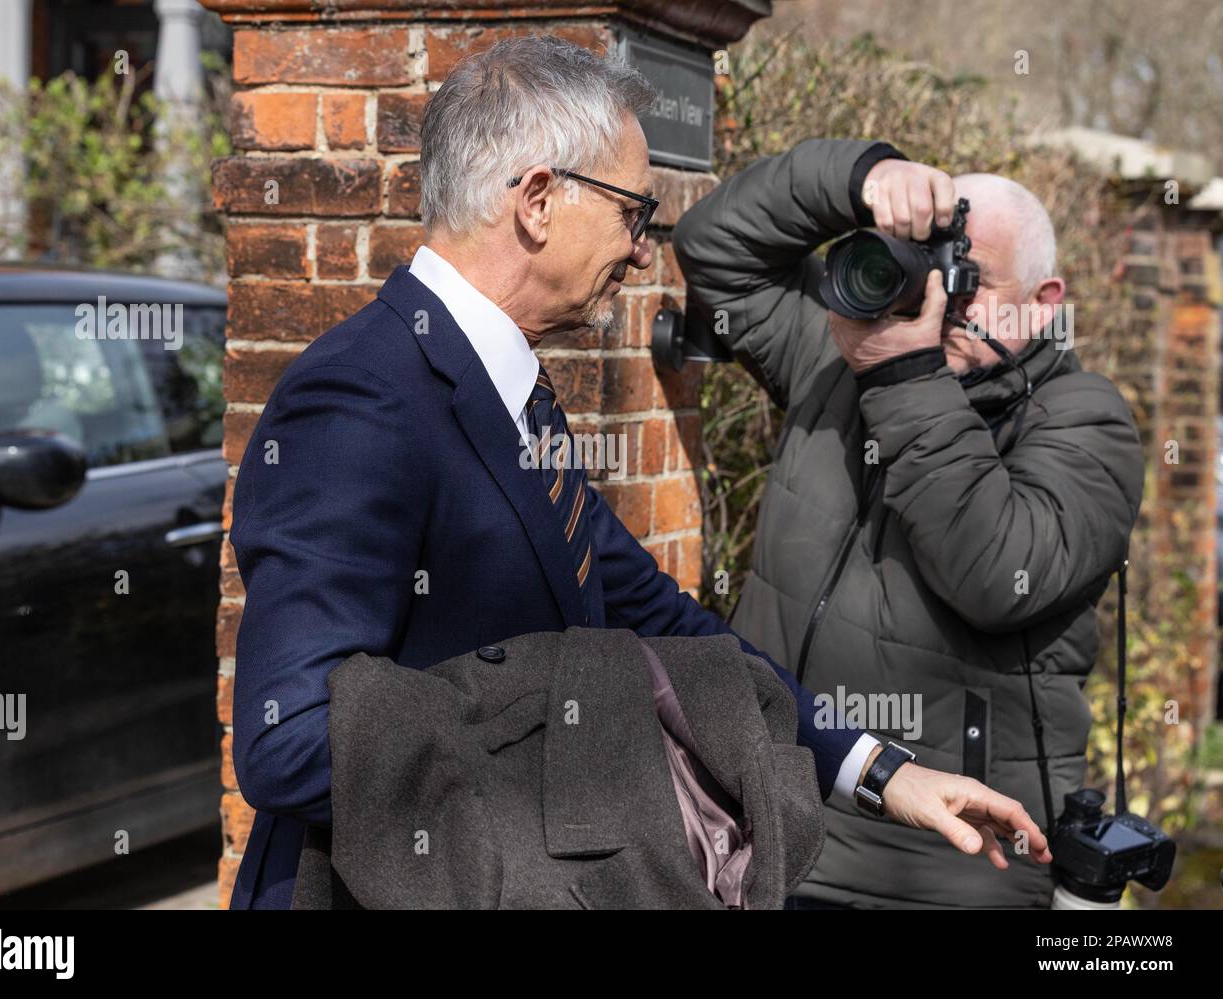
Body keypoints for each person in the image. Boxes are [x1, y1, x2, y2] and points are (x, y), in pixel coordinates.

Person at [227, 36, 1051, 909]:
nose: (643, 251)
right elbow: (292, 740)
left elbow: (658, 619)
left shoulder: (510, 390)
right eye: (633, 214)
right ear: (538, 200)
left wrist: (880, 772)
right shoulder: (360, 398)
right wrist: (594, 737)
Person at [673, 140, 1143, 908]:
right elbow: (713, 249)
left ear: (1045, 300)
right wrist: (859, 180)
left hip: (939, 867)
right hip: (765, 828)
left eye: (971, 281)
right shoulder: (838, 362)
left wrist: (901, 376)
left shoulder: (1088, 421)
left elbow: (998, 575)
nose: (940, 301)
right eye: (929, 269)